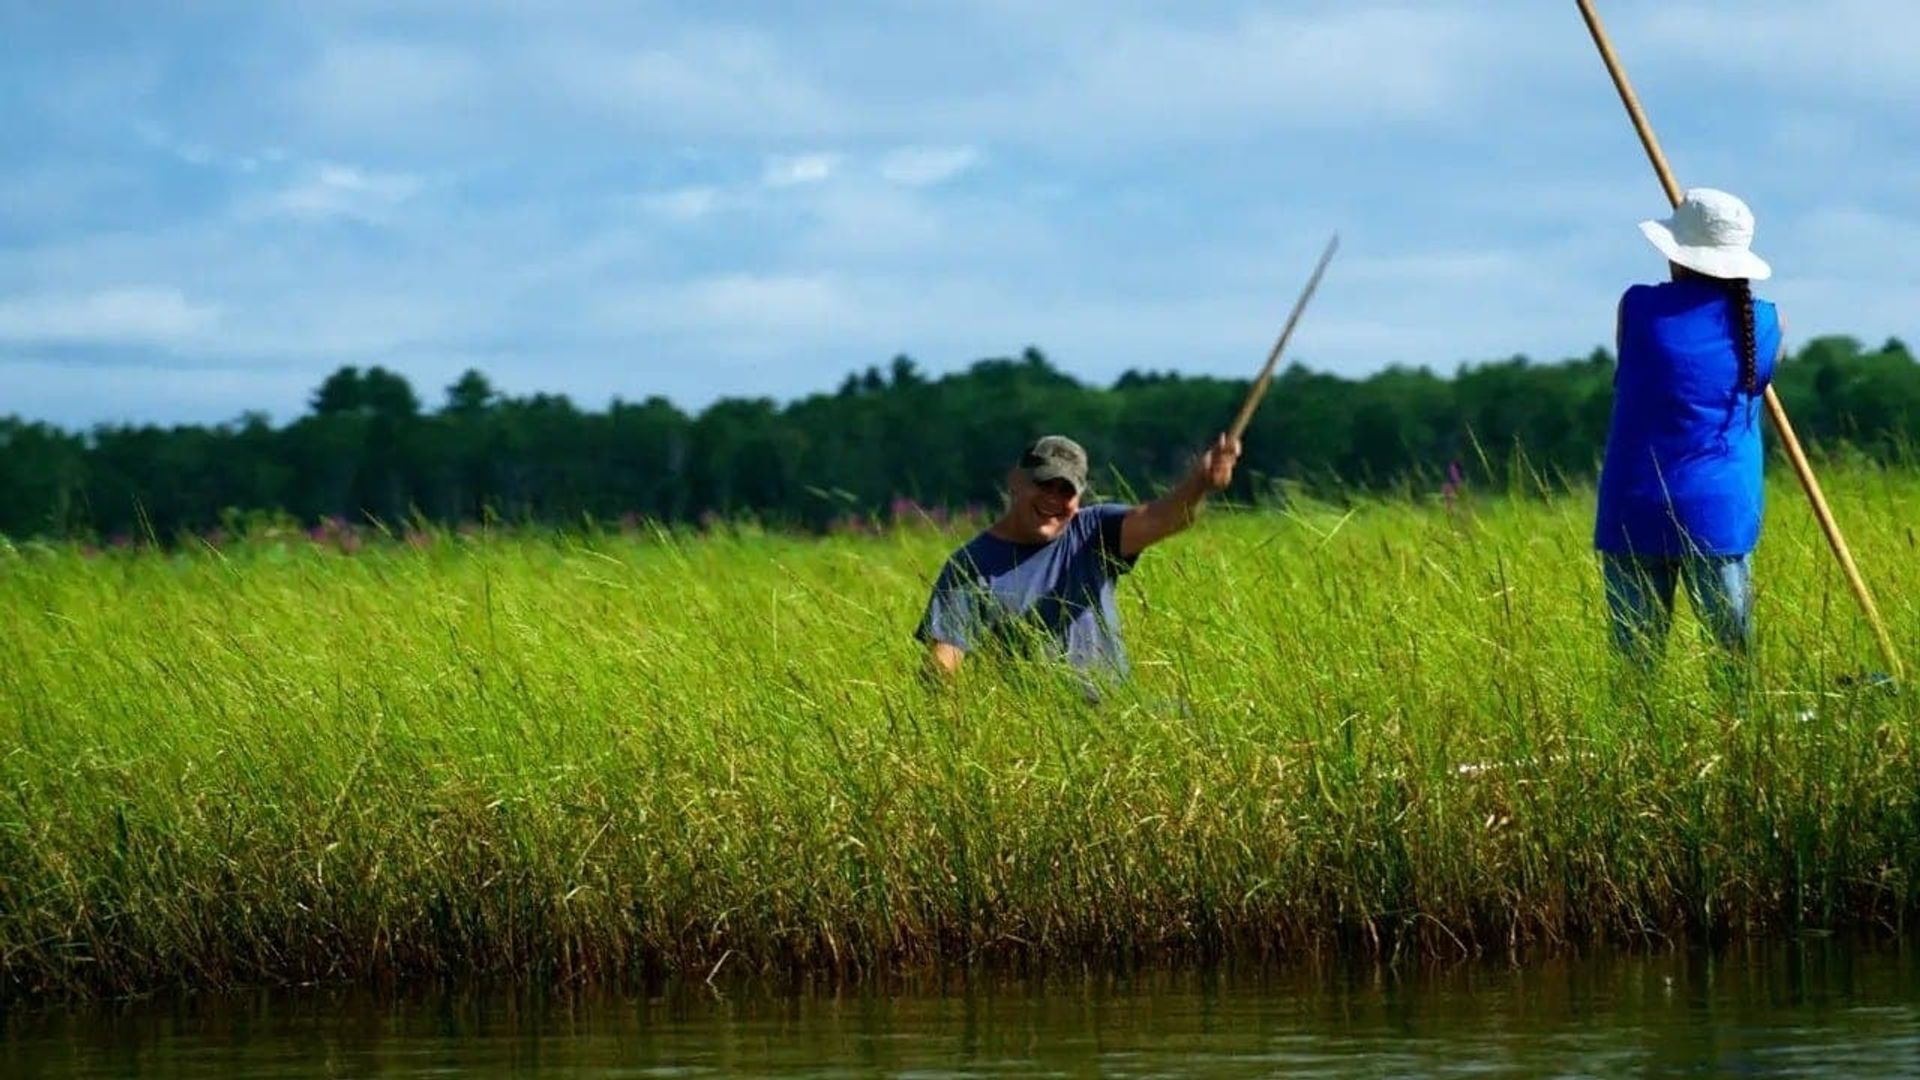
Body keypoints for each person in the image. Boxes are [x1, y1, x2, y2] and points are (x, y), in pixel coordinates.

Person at [1594, 187, 1785, 672]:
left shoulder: (1636, 308)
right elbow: (1764, 367)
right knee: (1733, 670)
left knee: (1634, 674)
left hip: (1634, 506)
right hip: (1719, 513)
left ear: (1677, 254)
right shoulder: (1765, 323)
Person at [917, 432, 1240, 686]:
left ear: (1079, 496)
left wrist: (1200, 484)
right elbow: (942, 665)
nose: (1053, 499)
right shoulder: (971, 566)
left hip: (1119, 713)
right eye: (1044, 485)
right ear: (1017, 483)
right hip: (1038, 731)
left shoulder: (1094, 531)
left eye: (1065, 491)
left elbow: (1166, 518)